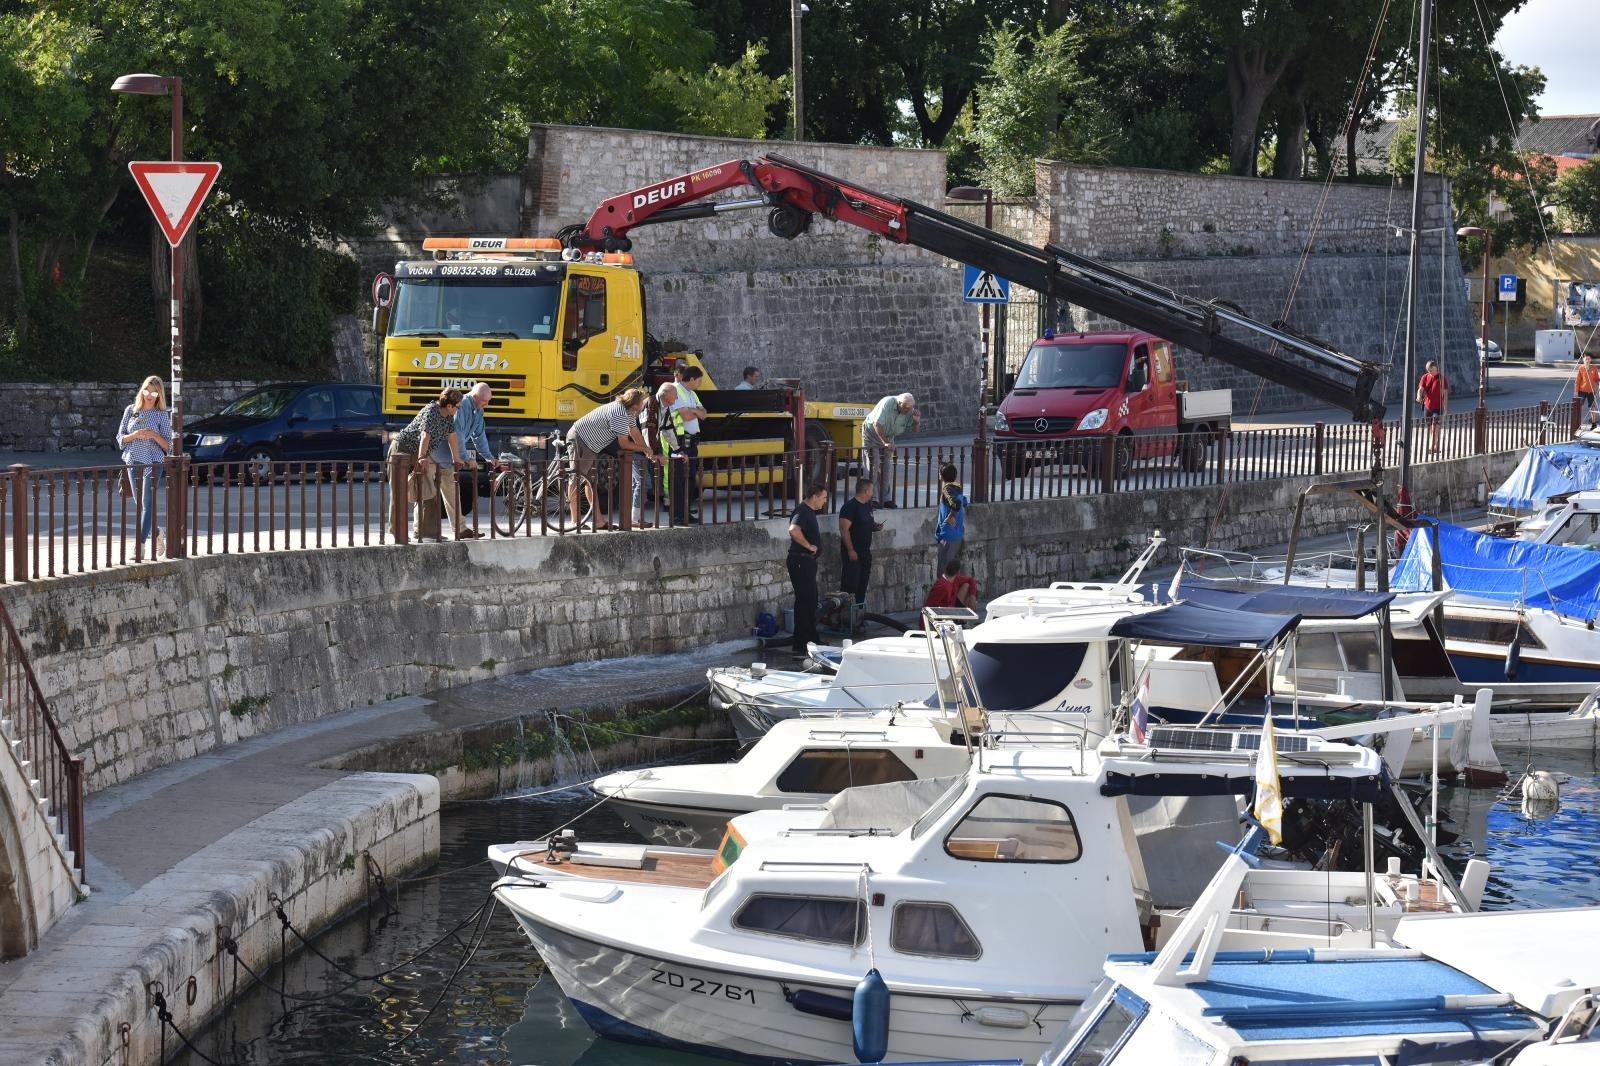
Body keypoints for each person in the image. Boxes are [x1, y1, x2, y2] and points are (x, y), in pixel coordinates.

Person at [390, 387, 476, 541]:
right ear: (449, 405)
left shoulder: (448, 416)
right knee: (399, 490)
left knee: (425, 489)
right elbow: (425, 435)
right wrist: (422, 457)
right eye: (458, 406)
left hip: (418, 452)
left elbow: (452, 437)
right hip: (402, 449)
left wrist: (456, 459)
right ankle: (397, 531)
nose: (459, 409)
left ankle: (427, 532)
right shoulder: (431, 411)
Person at [568, 388, 651, 526]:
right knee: (576, 479)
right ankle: (575, 520)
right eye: (642, 401)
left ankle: (599, 522)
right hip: (582, 438)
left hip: (592, 443)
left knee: (590, 481)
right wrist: (644, 449)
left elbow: (635, 433)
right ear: (636, 404)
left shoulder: (628, 411)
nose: (643, 403)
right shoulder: (619, 413)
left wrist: (647, 451)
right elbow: (624, 443)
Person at [116, 375, 173, 558]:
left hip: (153, 462)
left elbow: (168, 445)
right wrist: (135, 434)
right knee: (140, 504)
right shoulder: (131, 410)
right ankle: (157, 533)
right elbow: (120, 438)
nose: (149, 395)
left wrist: (153, 435)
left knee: (147, 504)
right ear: (142, 390)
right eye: (147, 390)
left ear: (159, 395)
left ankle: (139, 546)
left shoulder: (161, 415)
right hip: (133, 460)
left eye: (154, 392)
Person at [787, 483, 829, 655]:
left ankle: (811, 641)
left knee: (811, 602)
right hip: (800, 561)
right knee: (804, 604)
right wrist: (809, 546)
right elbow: (793, 530)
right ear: (815, 497)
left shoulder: (809, 512)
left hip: (807, 562)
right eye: (824, 498)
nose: (825, 502)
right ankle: (800, 645)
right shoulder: (802, 511)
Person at [861, 392, 920, 506]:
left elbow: (916, 430)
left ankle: (886, 499)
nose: (907, 411)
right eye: (905, 408)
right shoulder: (887, 403)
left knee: (886, 468)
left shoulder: (909, 409)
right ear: (899, 403)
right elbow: (877, 424)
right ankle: (871, 498)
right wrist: (886, 443)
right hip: (872, 435)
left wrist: (917, 422)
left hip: (888, 436)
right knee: (873, 466)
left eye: (910, 408)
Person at [838, 478, 882, 607]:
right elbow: (844, 529)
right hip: (853, 554)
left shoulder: (867, 506)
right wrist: (851, 550)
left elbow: (866, 523)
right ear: (866, 491)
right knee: (850, 586)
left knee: (862, 585)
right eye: (872, 490)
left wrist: (875, 527)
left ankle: (859, 616)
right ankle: (846, 617)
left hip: (865, 553)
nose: (873, 493)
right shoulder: (850, 507)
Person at [672, 365, 707, 520]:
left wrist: (692, 410)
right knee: (680, 478)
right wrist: (695, 411)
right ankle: (679, 514)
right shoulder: (676, 391)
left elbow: (704, 414)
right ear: (692, 379)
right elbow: (685, 416)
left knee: (690, 478)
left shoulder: (692, 393)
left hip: (692, 442)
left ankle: (685, 511)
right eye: (699, 381)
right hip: (680, 442)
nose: (700, 384)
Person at [655, 381, 693, 526]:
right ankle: (669, 504)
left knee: (672, 474)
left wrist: (678, 450)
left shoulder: (667, 406)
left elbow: (668, 428)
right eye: (675, 396)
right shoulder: (656, 406)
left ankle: (674, 508)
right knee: (668, 473)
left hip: (673, 443)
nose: (677, 399)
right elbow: (649, 431)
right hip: (663, 444)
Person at [935, 462, 968, 575]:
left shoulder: (947, 489)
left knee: (944, 572)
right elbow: (964, 501)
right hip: (957, 534)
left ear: (942, 475)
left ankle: (945, 593)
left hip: (947, 535)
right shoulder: (957, 487)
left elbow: (957, 503)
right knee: (953, 572)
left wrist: (951, 515)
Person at [1416, 360, 1447, 454]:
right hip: (1427, 406)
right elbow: (1420, 389)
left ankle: (1431, 446)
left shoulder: (1442, 379)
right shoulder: (1425, 377)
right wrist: (1418, 396)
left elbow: (1445, 394)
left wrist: (1445, 408)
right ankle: (1436, 446)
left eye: (1430, 370)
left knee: (1435, 427)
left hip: (1438, 407)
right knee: (1430, 428)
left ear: (1435, 368)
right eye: (1428, 370)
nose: (1429, 372)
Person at [1577, 354, 1599, 430]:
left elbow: (1596, 378)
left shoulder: (1594, 368)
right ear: (1583, 360)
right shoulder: (1581, 368)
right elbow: (1578, 380)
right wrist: (1576, 391)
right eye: (1586, 359)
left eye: (1588, 359)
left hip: (1591, 391)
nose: (1587, 360)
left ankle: (1594, 424)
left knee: (1592, 407)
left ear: (1590, 360)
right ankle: (1578, 423)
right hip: (1582, 391)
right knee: (1580, 407)